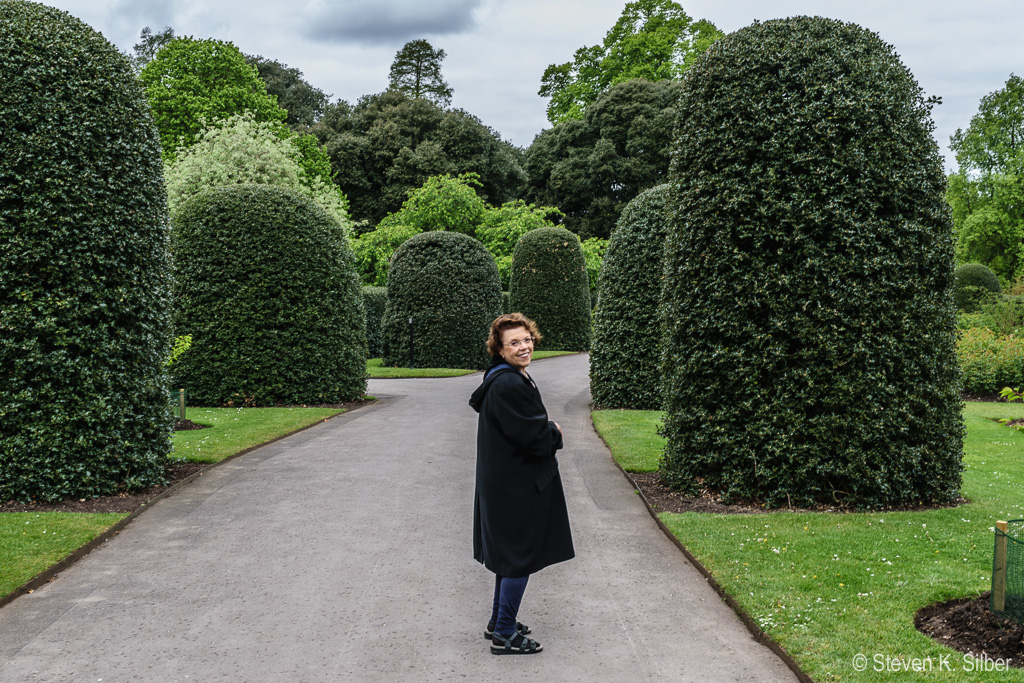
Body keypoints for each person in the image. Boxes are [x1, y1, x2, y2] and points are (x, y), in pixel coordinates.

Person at [468, 313, 575, 655]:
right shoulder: (509, 384)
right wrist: (554, 432)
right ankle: (503, 633)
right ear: (499, 349)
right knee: (518, 557)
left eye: (526, 339)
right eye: (513, 342)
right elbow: (533, 438)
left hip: (504, 481)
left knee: (508, 555)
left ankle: (499, 620)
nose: (524, 346)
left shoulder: (506, 377)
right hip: (514, 487)